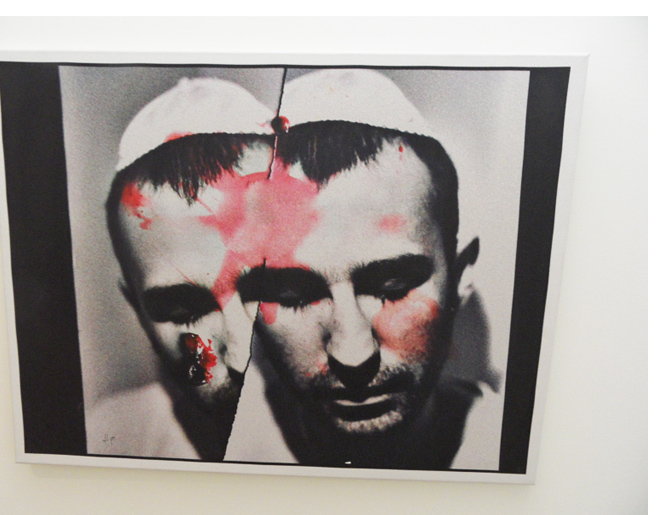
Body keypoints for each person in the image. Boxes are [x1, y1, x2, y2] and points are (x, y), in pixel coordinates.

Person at [226, 69, 489, 469]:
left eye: (393, 288)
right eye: (293, 297)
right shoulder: (159, 442)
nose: (352, 355)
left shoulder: (522, 447)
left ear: (460, 275)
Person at [90, 77, 278, 461]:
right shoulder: (107, 438)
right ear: (137, 309)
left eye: (264, 288)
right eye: (185, 311)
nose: (239, 356)